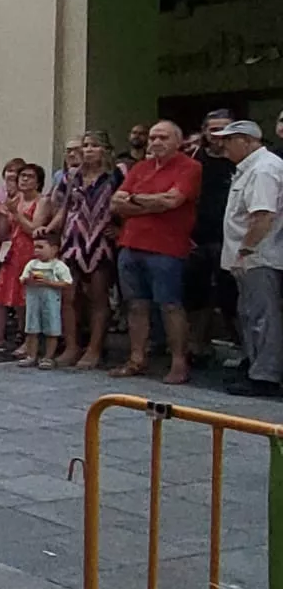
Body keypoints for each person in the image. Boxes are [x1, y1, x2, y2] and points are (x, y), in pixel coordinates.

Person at [111, 120, 201, 384]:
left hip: (167, 248)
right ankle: (137, 358)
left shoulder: (190, 167)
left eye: (163, 137)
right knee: (135, 305)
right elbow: (116, 203)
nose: (156, 143)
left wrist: (136, 200)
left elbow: (173, 200)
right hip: (131, 244)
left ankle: (178, 363)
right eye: (152, 138)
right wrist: (153, 203)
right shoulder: (140, 167)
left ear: (178, 141)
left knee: (170, 305)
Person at [215, 120, 283, 396]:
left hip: (259, 257)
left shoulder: (264, 169)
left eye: (229, 140)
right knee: (250, 313)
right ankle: (256, 366)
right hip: (249, 257)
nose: (224, 145)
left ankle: (265, 375)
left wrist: (245, 251)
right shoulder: (250, 168)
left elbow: (263, 216)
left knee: (263, 316)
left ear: (247, 140)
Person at [45, 130, 121, 368]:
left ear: (105, 150)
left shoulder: (116, 175)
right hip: (73, 239)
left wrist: (121, 230)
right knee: (69, 296)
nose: (88, 150)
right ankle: (71, 345)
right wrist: (50, 231)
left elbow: (127, 205)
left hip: (100, 240)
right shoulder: (71, 176)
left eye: (94, 145)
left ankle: (95, 348)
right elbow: (63, 208)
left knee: (98, 296)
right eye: (85, 145)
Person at [189, 110, 238, 367]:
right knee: (197, 297)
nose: (218, 135)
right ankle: (198, 346)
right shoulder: (194, 160)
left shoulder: (241, 161)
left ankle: (242, 349)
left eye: (224, 129)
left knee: (231, 298)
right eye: (213, 129)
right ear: (205, 132)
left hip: (232, 241)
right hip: (197, 239)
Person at [0, 164, 46, 358]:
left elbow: (34, 229)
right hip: (13, 249)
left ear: (38, 181)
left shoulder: (42, 201)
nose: (24, 180)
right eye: (22, 176)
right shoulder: (16, 199)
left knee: (26, 298)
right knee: (3, 294)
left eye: (30, 177)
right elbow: (7, 226)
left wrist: (15, 213)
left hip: (30, 251)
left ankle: (28, 339)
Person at [19, 236, 72, 369]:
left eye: (41, 247)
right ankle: (31, 355)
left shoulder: (59, 266)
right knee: (32, 329)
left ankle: (48, 357)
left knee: (51, 329)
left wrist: (49, 283)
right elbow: (22, 279)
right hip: (33, 301)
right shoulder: (32, 264)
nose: (37, 250)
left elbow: (66, 283)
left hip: (51, 302)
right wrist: (28, 280)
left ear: (54, 249)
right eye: (35, 247)